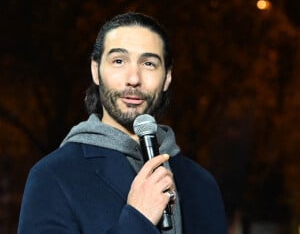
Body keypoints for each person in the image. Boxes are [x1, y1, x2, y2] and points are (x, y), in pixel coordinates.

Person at [18, 12, 228, 234]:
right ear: (95, 71)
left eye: (149, 63)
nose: (134, 78)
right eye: (119, 61)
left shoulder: (201, 184)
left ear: (167, 77)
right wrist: (138, 220)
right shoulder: (54, 175)